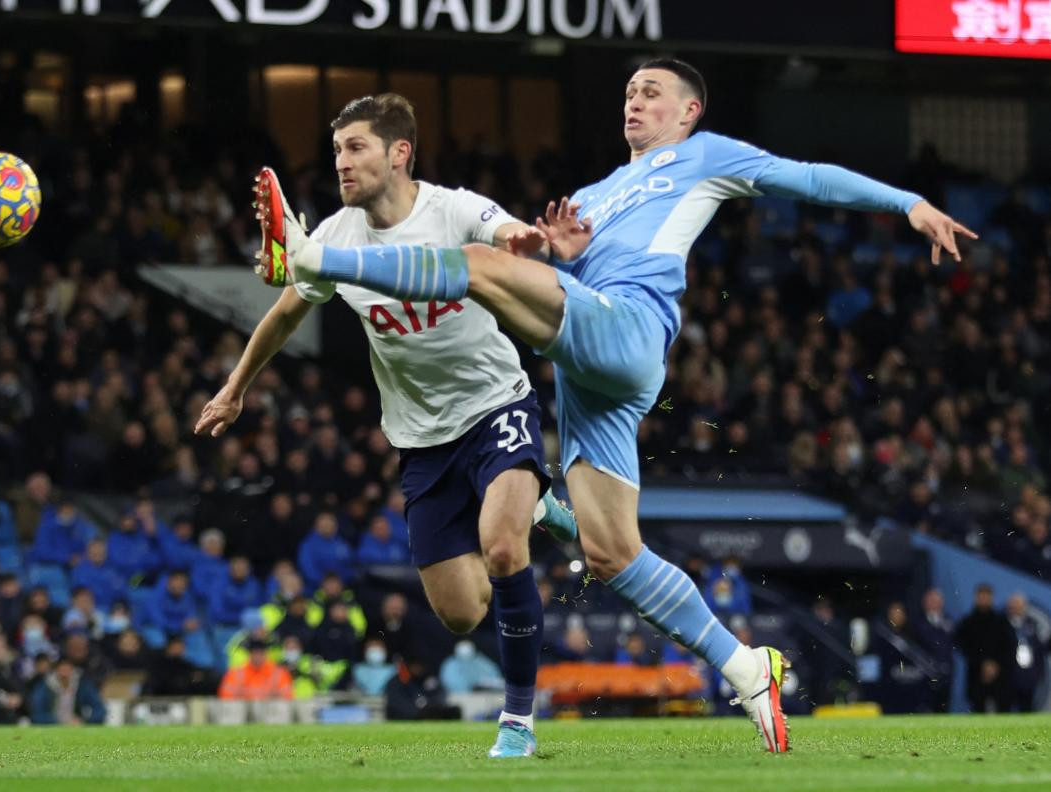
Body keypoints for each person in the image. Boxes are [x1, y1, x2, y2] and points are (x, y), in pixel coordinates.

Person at [258, 60, 975, 753]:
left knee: (475, 268)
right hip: (583, 371)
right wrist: (560, 252)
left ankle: (314, 257)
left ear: (689, 112)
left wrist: (904, 202)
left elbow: (809, 178)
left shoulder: (704, 156)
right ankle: (747, 667)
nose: (635, 102)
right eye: (630, 91)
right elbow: (546, 280)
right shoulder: (595, 193)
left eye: (652, 93)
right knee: (609, 553)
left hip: (626, 330)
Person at [196, 93, 576, 758]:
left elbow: (508, 234)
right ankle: (537, 502)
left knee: (504, 549)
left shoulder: (451, 208)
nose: (341, 162)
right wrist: (234, 389)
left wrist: (530, 240)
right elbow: (287, 312)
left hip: (496, 406)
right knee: (460, 612)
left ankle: (517, 721)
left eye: (356, 148)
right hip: (421, 441)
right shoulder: (339, 237)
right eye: (337, 150)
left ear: (400, 153)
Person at [954, 584, 1017, 713]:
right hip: (977, 674)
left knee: (1003, 710)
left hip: (1001, 674)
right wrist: (982, 663)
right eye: (981, 596)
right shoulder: (968, 622)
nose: (984, 599)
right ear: (976, 598)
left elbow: (1010, 645)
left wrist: (996, 664)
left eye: (986, 596)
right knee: (978, 710)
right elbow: (963, 646)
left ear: (991, 598)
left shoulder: (1001, 621)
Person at [218, 637, 293, 700]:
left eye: (260, 653)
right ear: (250, 654)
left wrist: (245, 693)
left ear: (265, 654)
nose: (257, 656)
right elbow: (225, 695)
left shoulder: (279, 673)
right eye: (255, 653)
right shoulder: (237, 673)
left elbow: (288, 695)